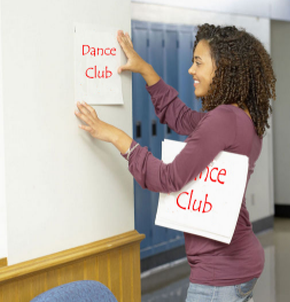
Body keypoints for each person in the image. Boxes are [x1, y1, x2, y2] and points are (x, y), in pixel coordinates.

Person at [75, 24, 276, 302]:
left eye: (198, 62)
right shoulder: (242, 119)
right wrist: (146, 70)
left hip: (220, 272)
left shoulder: (223, 119)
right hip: (241, 261)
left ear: (225, 67)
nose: (191, 70)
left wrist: (116, 136)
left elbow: (168, 179)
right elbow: (181, 118)